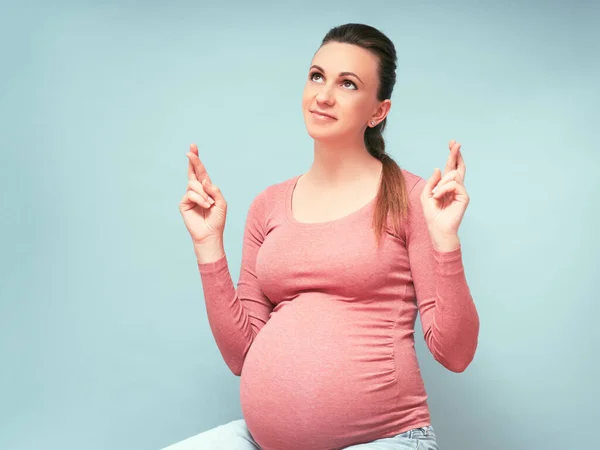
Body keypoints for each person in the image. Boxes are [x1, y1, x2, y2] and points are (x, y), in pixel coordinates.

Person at [169, 23, 479, 450]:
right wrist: (208, 247)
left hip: (386, 439)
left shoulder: (413, 198)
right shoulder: (269, 204)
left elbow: (455, 352)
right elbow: (241, 354)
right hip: (262, 440)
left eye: (348, 84)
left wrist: (446, 240)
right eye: (317, 76)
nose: (324, 95)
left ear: (378, 111)